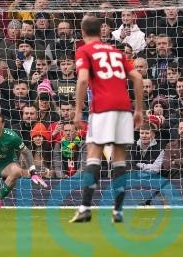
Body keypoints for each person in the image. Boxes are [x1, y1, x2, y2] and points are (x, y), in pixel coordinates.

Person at [70, 14, 144, 224]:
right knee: (119, 159)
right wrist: (139, 109)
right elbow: (138, 77)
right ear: (100, 31)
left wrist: (77, 111)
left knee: (93, 154)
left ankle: (84, 208)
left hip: (102, 108)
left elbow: (83, 79)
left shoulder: (84, 50)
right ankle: (118, 211)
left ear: (83, 32)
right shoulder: (116, 51)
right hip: (124, 107)